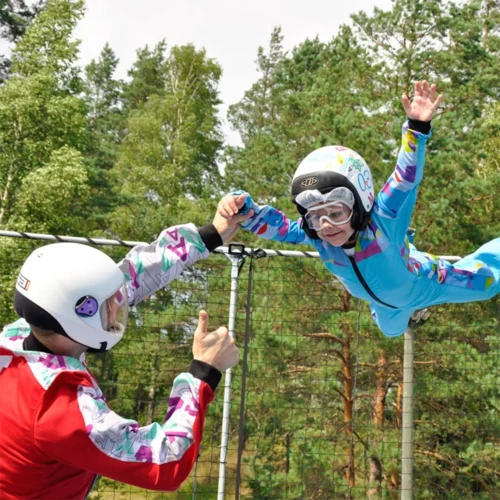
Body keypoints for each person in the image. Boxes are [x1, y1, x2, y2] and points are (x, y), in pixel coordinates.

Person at [218, 81, 500, 337]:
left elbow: (405, 179)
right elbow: (280, 228)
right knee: (391, 330)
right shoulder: (317, 237)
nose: (326, 224)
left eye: (336, 213)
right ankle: (405, 286)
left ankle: (409, 249)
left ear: (361, 203)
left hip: (423, 283)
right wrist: (246, 211)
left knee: (489, 284)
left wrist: (416, 129)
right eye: (316, 216)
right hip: (383, 304)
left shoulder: (383, 219)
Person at [0, 210, 251, 499]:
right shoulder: (60, 410)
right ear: (80, 316)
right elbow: (166, 461)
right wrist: (204, 371)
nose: (117, 305)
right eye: (109, 303)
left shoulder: (20, 336)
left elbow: (129, 278)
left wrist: (210, 235)